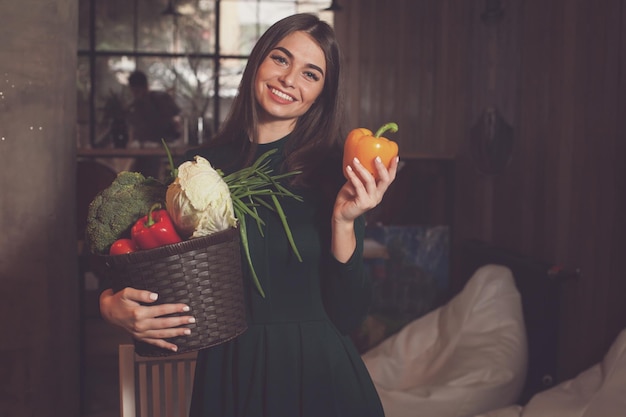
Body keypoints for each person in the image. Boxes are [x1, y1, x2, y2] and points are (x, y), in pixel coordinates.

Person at [99, 13, 399, 417]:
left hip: (320, 378)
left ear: (322, 95)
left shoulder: (335, 172)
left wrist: (344, 221)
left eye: (311, 74)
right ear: (258, 61)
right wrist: (110, 305)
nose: (289, 79)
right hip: (229, 376)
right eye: (280, 59)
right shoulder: (196, 170)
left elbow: (348, 315)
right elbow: (147, 270)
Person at [127, 70, 181, 145]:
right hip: (142, 148)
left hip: (165, 146)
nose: (137, 94)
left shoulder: (162, 98)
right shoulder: (133, 107)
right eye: (134, 91)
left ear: (145, 87)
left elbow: (177, 121)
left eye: (137, 91)